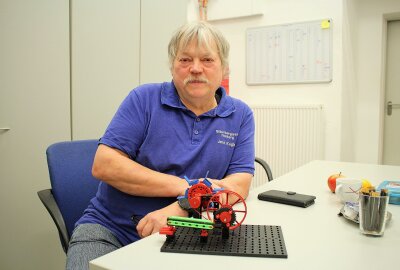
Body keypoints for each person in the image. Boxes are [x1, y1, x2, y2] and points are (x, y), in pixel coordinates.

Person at [66, 20, 255, 269]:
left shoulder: (239, 115)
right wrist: (188, 188)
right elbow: (105, 165)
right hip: (111, 230)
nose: (196, 68)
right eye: (185, 59)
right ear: (172, 66)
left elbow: (238, 185)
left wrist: (182, 206)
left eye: (207, 60)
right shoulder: (143, 99)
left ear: (225, 69)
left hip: (188, 232)